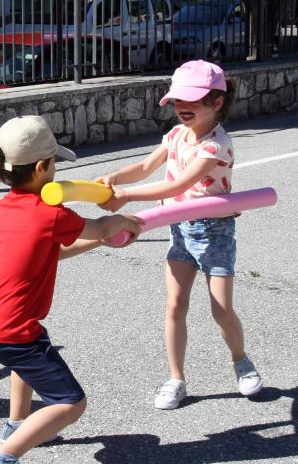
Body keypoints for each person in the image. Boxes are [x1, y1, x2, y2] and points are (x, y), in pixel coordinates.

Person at [0, 116, 141, 464]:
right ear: (43, 167)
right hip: (11, 328)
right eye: (55, 163)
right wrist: (123, 221)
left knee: (26, 360)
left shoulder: (7, 207)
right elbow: (103, 226)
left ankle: (17, 425)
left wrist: (101, 239)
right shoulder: (50, 213)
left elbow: (49, 253)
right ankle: (3, 461)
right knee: (71, 402)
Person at [95, 60, 263, 410]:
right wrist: (114, 178)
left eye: (192, 101)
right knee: (174, 305)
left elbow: (178, 184)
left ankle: (241, 360)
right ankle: (176, 378)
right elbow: (144, 167)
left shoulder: (216, 146)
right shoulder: (174, 136)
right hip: (180, 229)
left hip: (213, 230)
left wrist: (125, 197)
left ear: (217, 102)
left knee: (221, 311)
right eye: (177, 101)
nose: (182, 108)